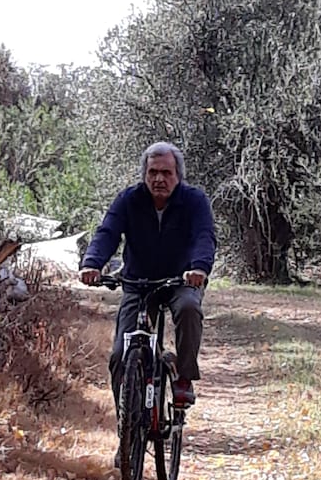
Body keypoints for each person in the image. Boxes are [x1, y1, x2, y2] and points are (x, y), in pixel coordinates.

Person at [79, 141, 217, 412]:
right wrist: (92, 263)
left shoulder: (194, 200)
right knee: (120, 355)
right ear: (144, 174)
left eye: (166, 173)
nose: (159, 179)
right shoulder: (129, 200)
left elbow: (205, 235)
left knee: (189, 308)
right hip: (138, 282)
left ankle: (184, 379)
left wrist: (199, 268)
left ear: (178, 175)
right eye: (153, 172)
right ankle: (127, 428)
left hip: (181, 280)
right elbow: (107, 232)